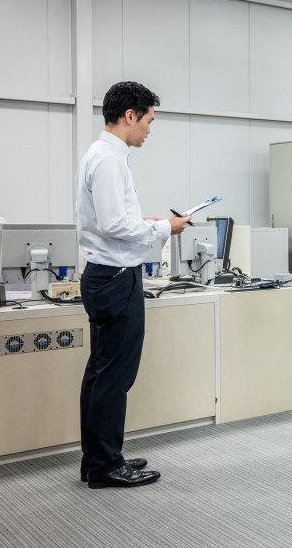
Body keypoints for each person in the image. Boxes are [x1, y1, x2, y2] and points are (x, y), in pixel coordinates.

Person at [76, 81, 190, 489]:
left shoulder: (102, 155)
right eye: (149, 120)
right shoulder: (109, 161)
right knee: (114, 377)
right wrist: (164, 227)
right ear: (130, 116)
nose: (149, 129)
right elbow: (111, 225)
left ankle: (99, 458)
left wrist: (147, 225)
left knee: (100, 373)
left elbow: (113, 223)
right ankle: (106, 466)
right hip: (116, 278)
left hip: (105, 274)